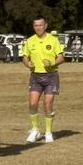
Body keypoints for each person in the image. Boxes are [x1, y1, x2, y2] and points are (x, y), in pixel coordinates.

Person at [21, 16, 64, 144]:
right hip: (35, 76)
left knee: (47, 104)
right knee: (33, 103)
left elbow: (61, 58)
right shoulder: (29, 41)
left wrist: (51, 63)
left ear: (45, 26)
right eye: (36, 25)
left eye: (40, 25)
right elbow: (24, 57)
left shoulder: (53, 40)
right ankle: (35, 130)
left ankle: (49, 132)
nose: (38, 28)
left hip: (51, 76)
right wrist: (27, 63)